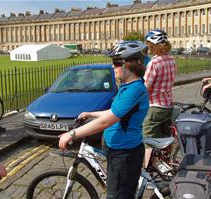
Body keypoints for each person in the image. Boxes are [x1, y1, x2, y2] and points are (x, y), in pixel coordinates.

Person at [59, 40, 149, 199]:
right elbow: (114, 112)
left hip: (124, 154)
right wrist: (90, 113)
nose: (113, 66)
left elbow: (107, 121)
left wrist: (72, 134)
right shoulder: (127, 86)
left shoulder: (134, 90)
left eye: (116, 62)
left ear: (129, 65)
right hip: (117, 151)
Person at [143, 29, 177, 167]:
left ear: (153, 45)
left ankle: (148, 172)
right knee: (164, 138)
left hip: (155, 106)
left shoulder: (154, 63)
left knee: (148, 139)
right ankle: (164, 165)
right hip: (168, 105)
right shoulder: (171, 60)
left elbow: (146, 87)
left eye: (149, 45)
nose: (148, 48)